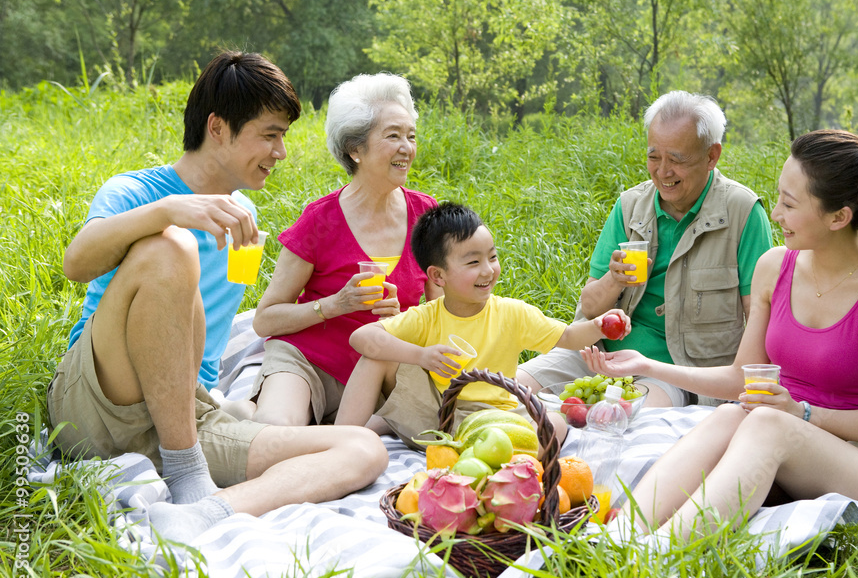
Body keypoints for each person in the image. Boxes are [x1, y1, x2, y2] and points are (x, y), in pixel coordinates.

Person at [46, 51, 388, 545]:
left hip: (185, 413)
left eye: (283, 137)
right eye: (270, 135)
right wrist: (167, 212)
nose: (281, 152)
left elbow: (219, 312)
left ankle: (202, 513)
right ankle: (187, 468)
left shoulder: (243, 211)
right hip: (99, 398)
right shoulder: (137, 191)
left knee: (362, 449)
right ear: (219, 127)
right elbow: (75, 264)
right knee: (172, 248)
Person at [581, 129, 858, 541]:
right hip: (777, 431)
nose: (775, 213)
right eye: (779, 196)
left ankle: (654, 558)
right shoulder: (774, 267)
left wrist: (800, 414)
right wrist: (646, 365)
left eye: (789, 204)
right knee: (731, 414)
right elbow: (740, 377)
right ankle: (614, 539)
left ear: (839, 217)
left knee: (764, 424)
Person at [517, 90, 772, 408]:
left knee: (624, 417)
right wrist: (614, 280)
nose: (663, 172)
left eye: (677, 160)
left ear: (711, 155)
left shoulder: (742, 212)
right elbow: (591, 307)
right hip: (598, 355)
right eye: (654, 157)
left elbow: (762, 321)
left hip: (679, 372)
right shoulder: (629, 207)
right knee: (511, 391)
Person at [335, 202, 631, 447]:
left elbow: (568, 336)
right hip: (438, 417)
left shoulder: (512, 313)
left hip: (495, 421)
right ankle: (338, 440)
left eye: (492, 257)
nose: (488, 270)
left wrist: (601, 325)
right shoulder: (427, 316)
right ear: (438, 277)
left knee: (554, 423)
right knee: (377, 355)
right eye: (473, 262)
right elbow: (361, 337)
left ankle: (497, 468)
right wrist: (421, 356)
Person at [247, 73, 439, 427]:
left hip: (380, 372)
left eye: (411, 136)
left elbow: (447, 312)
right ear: (355, 149)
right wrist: (336, 305)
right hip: (310, 361)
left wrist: (406, 319)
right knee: (273, 430)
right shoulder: (320, 220)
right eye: (393, 135)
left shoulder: (426, 215)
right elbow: (265, 318)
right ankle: (250, 419)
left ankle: (239, 417)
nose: (407, 147)